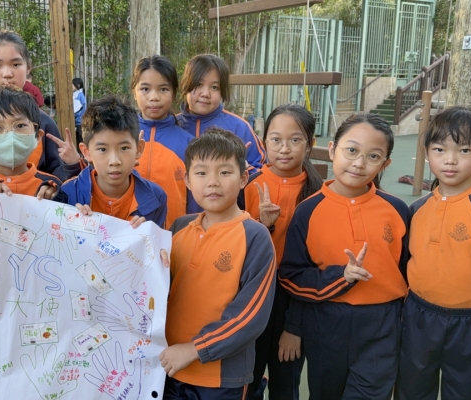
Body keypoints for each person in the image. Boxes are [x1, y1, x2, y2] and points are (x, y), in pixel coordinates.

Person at [278, 114, 409, 400]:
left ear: (385, 164)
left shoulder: (397, 210)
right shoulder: (308, 211)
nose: (359, 163)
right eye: (351, 150)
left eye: (373, 156)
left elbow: (410, 272)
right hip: (326, 323)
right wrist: (342, 277)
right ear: (332, 149)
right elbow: (292, 276)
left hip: (382, 325)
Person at [160, 128, 276, 399]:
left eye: (224, 172)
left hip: (222, 378)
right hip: (170, 367)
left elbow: (250, 317)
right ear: (187, 180)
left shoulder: (255, 236)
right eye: (201, 173)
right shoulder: (179, 227)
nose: (213, 182)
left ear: (243, 178)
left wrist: (195, 349)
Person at [242, 105, 322, 400]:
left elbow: (314, 266)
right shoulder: (246, 186)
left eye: (295, 140)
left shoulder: (319, 193)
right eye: (276, 140)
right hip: (254, 292)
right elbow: (235, 247)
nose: (284, 149)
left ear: (310, 143)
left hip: (294, 298)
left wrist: (295, 326)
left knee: (286, 381)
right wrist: (264, 226)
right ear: (264, 142)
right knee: (247, 379)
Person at [395, 106, 471, 400]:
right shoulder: (416, 209)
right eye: (440, 149)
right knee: (412, 388)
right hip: (419, 315)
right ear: (427, 153)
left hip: (469, 321)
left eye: (464, 150)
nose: (450, 160)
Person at [0, 30, 83, 182]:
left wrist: (72, 165)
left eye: (16, 64)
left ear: (28, 67)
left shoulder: (44, 122)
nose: (7, 73)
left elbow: (57, 179)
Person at [51, 95, 167, 228]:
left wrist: (147, 235)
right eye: (102, 149)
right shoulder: (67, 194)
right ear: (86, 152)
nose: (114, 161)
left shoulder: (157, 197)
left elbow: (158, 240)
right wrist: (72, 228)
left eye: (124, 148)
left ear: (139, 149)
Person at [131, 55, 195, 228]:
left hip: (174, 236)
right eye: (145, 89)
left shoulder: (189, 144)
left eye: (163, 89)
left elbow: (196, 201)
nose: (154, 97)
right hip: (126, 235)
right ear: (134, 92)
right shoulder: (120, 137)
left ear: (174, 93)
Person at [177, 54, 266, 172]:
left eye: (214, 87)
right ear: (185, 84)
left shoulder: (239, 127)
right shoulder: (172, 125)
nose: (205, 93)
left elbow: (261, 168)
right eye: (199, 85)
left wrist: (244, 171)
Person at [72, 77, 87, 146]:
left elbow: (76, 110)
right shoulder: (80, 94)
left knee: (79, 141)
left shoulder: (78, 96)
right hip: (80, 121)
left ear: (78, 85)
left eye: (72, 84)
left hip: (78, 122)